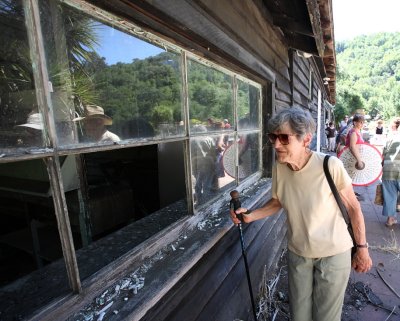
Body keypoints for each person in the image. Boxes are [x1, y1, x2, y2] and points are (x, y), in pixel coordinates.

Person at [230, 106, 372, 321]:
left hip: (333, 253)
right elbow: (279, 200)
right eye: (273, 137)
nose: (276, 144)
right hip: (299, 252)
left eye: (284, 138)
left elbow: (353, 207)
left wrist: (362, 249)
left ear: (306, 139)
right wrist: (251, 215)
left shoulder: (329, 165)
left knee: (325, 317)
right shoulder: (281, 167)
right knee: (299, 316)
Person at [381, 119, 400, 227]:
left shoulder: (390, 138)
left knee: (390, 195)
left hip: (388, 169)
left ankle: (390, 219)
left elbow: (384, 153)